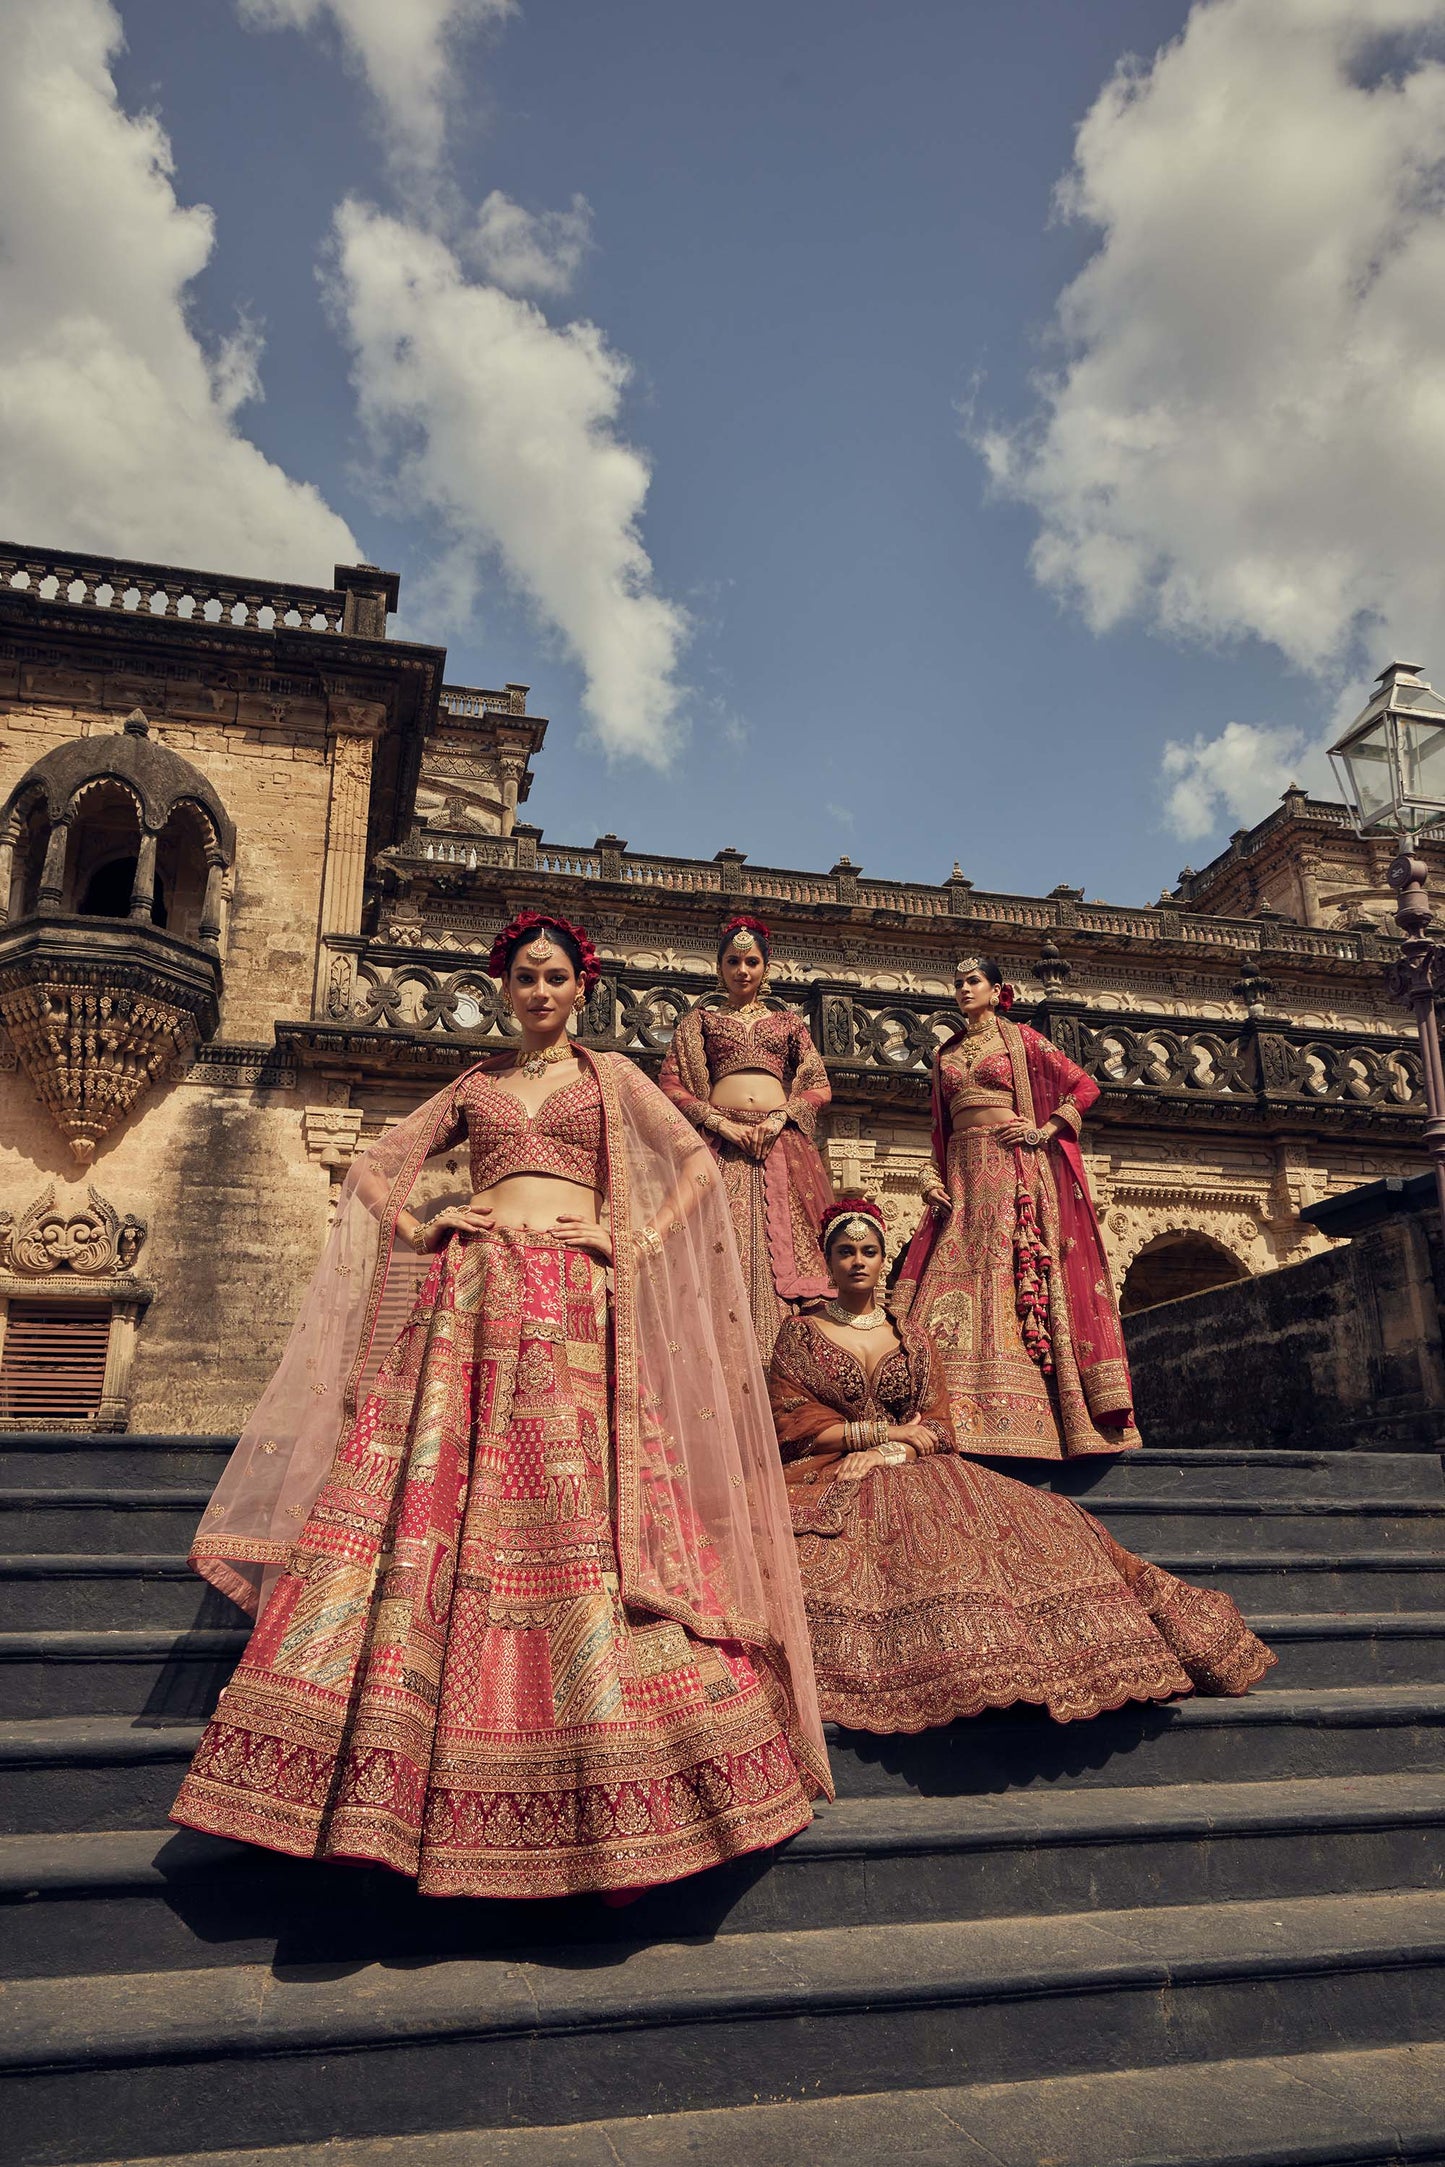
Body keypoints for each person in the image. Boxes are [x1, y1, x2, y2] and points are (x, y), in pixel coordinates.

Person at [172, 909, 831, 1901]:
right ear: (504, 988)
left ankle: (610, 1761)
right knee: (438, 1504)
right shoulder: (475, 1084)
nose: (539, 991)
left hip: (571, 1300)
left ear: (581, 987)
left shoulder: (612, 1077)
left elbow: (695, 1164)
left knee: (579, 1510)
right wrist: (424, 1223)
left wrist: (635, 1239)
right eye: (524, 977)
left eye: (554, 977)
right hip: (472, 1298)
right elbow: (374, 1167)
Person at [769, 1198, 1275, 1732]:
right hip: (829, 1471)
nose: (858, 1261)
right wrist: (886, 1436)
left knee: (1056, 1524)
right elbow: (791, 1424)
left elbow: (938, 1427)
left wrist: (896, 1450)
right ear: (828, 1260)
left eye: (869, 1251)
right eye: (845, 1251)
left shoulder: (912, 1338)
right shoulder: (800, 1334)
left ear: (881, 1258)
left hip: (914, 1465)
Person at [895, 954, 1139, 1458]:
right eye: (958, 982)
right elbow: (939, 1130)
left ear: (996, 989)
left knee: (1013, 1274)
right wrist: (929, 1179)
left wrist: (1043, 1131)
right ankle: (943, 1406)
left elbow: (1084, 1086)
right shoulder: (944, 1054)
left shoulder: (1021, 1039)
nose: (964, 989)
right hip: (962, 1174)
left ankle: (1041, 1414)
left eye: (974, 981)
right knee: (949, 1278)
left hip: (1013, 1170)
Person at [659, 914, 834, 1360]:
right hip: (722, 1144)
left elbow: (818, 1084)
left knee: (789, 1249)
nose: (742, 970)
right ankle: (722, 1358)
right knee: (719, 1243)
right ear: (719, 967)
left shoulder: (788, 1023)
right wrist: (720, 1123)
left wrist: (779, 1119)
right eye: (733, 961)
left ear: (766, 968)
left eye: (751, 962)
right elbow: (672, 1083)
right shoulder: (700, 1021)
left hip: (779, 1143)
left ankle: (783, 1360)